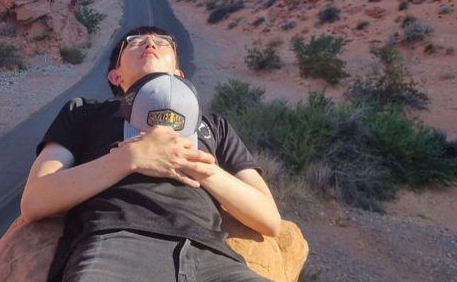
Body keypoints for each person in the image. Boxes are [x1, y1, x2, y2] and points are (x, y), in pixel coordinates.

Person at [20, 25, 281, 282]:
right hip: (119, 246)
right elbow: (35, 200)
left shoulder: (214, 125)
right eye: (134, 42)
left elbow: (269, 219)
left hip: (213, 258)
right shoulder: (84, 112)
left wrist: (198, 166)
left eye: (163, 42)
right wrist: (130, 158)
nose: (150, 44)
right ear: (115, 76)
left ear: (179, 74)